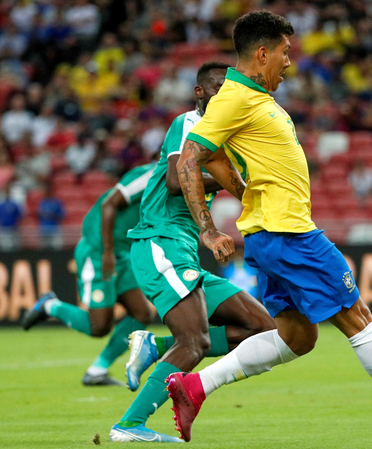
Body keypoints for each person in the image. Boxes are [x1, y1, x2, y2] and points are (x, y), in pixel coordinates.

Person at [166, 11, 372, 444]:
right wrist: (208, 229)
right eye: (284, 52)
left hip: (273, 233)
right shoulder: (235, 99)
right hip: (289, 234)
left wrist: (244, 192)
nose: (289, 62)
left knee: (298, 337)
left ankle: (197, 387)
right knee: (358, 317)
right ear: (262, 53)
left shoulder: (250, 98)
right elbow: (190, 160)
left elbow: (218, 157)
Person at [108, 61, 276, 443]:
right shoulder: (189, 124)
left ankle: (156, 345)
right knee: (195, 342)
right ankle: (130, 425)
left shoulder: (222, 138)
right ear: (200, 92)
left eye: (228, 88)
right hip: (159, 241)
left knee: (263, 330)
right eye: (217, 87)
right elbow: (172, 181)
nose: (223, 95)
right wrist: (229, 181)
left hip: (181, 248)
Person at [22, 161, 161, 387]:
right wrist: (106, 251)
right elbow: (109, 203)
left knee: (141, 313)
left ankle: (97, 370)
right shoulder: (151, 175)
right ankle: (50, 306)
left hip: (123, 253)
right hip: (99, 251)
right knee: (99, 327)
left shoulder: (173, 181)